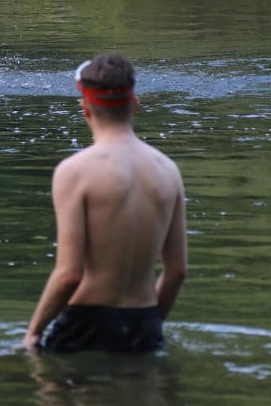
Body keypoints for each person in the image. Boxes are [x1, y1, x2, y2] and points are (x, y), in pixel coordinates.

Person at [23, 52, 187, 355]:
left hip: (86, 323)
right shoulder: (168, 170)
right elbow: (176, 271)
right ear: (134, 104)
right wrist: (151, 323)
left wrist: (33, 333)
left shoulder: (75, 172)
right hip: (145, 322)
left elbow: (69, 274)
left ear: (85, 108)